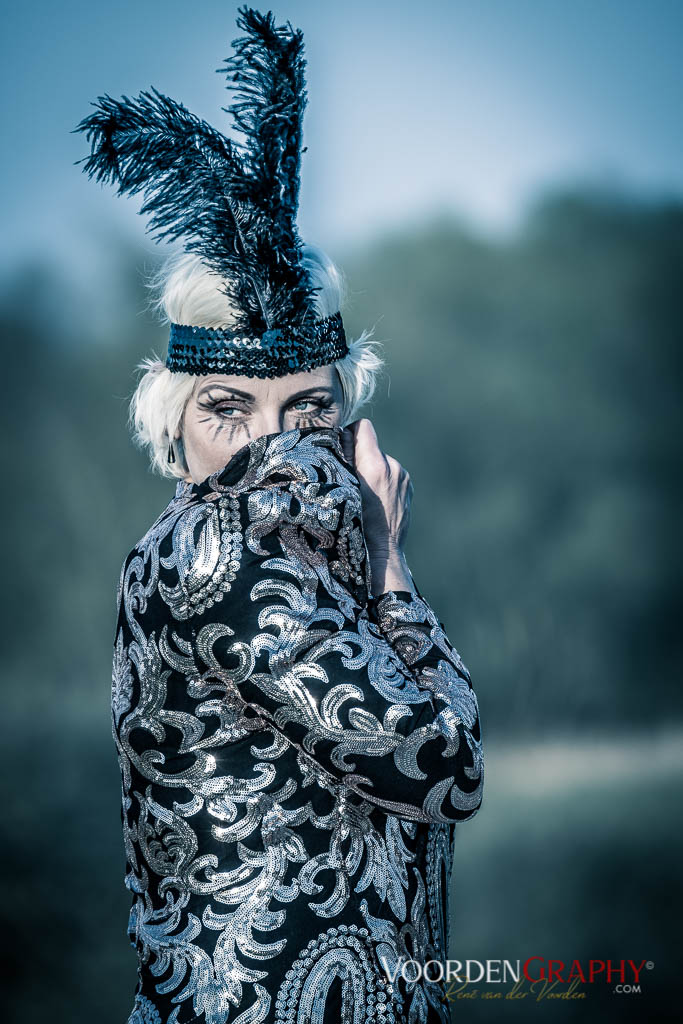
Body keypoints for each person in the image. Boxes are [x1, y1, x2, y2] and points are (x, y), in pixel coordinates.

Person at [75, 8, 484, 1023]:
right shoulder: (212, 549)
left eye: (306, 410)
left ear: (348, 415)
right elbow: (446, 767)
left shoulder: (305, 569)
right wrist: (392, 567)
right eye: (229, 409)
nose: (276, 450)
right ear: (173, 425)